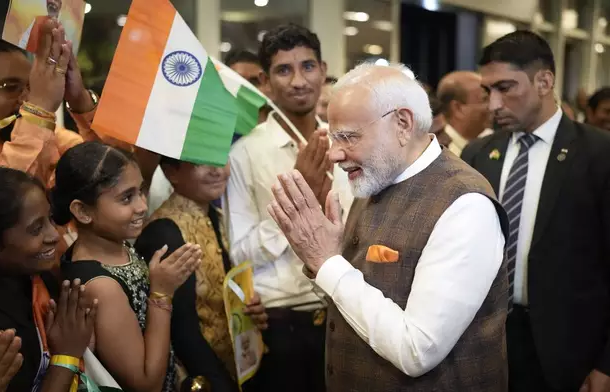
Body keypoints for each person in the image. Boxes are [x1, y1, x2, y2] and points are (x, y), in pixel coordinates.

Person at [267, 63, 509, 391]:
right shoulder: (375, 178)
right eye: (332, 137)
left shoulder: (465, 205)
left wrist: (328, 262)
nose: (335, 154)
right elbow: (352, 302)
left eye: (348, 137)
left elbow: (417, 350)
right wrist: (321, 261)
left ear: (403, 124)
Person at [461, 30, 610, 392]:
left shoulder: (598, 154)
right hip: (486, 342)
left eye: (506, 88)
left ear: (544, 81)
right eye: (487, 92)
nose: (494, 104)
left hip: (569, 352)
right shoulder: (478, 154)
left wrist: (606, 365)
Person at [226, 24, 353, 392]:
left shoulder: (347, 141)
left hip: (348, 312)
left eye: (307, 67)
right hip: (282, 323)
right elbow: (241, 254)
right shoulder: (245, 154)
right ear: (265, 81)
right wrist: (299, 201)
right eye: (284, 70)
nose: (299, 81)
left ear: (323, 70)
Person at [53, 142, 202, 392]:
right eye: (126, 198)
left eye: (141, 191)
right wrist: (161, 294)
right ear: (82, 211)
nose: (142, 206)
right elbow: (145, 384)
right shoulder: (100, 287)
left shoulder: (115, 245)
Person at [136, 157, 268, 391]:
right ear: (171, 172)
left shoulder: (214, 214)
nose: (217, 170)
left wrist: (247, 308)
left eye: (221, 158)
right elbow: (181, 330)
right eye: (201, 162)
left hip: (238, 366)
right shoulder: (164, 232)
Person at [0, 166, 97, 392]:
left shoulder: (35, 275)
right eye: (36, 229)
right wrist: (67, 356)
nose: (54, 235)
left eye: (49, 219)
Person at [0, 26, 98, 188]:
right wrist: (39, 107)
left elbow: (110, 170)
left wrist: (80, 100)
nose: (26, 98)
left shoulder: (46, 132)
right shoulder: (36, 127)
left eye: (31, 87)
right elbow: (6, 200)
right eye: (11, 87)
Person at [437, 71, 491, 156]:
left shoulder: (494, 144)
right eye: (484, 99)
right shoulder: (435, 153)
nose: (493, 106)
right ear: (458, 108)